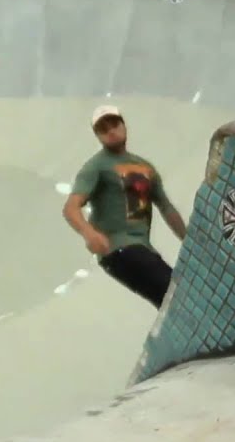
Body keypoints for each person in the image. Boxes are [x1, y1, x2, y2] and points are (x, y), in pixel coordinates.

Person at [63, 105, 187, 309]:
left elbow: (166, 207)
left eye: (114, 125)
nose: (111, 131)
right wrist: (89, 233)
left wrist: (188, 240)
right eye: (103, 129)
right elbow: (71, 208)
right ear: (98, 136)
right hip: (118, 250)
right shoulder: (96, 167)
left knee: (171, 303)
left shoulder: (145, 167)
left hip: (142, 249)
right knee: (174, 293)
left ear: (123, 125)